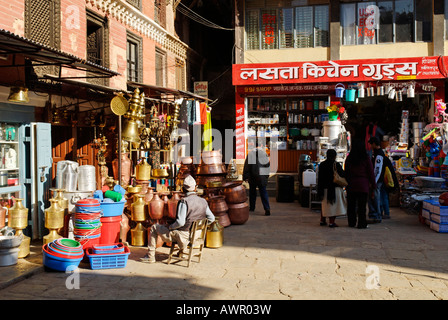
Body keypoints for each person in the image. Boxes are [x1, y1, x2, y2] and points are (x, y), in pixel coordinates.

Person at [140, 175, 215, 263]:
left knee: (154, 227)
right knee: (178, 228)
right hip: (196, 235)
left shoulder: (184, 202)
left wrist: (170, 227)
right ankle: (182, 253)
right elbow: (211, 218)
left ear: (183, 189)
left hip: (183, 237)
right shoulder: (203, 201)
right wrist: (198, 227)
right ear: (195, 188)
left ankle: (150, 256)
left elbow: (180, 222)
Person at [344, 140, 376, 229]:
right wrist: (373, 185)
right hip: (363, 185)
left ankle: (351, 222)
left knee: (351, 205)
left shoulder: (349, 158)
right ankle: (361, 223)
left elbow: (346, 171)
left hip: (351, 184)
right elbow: (371, 173)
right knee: (362, 207)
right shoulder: (366, 158)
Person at [367, 137, 398, 223]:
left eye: (370, 144)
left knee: (377, 198)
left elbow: (377, 169)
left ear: (374, 144)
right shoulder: (377, 153)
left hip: (378, 180)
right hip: (378, 180)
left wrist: (374, 181)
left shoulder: (379, 155)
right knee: (378, 196)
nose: (369, 146)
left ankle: (377, 215)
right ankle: (378, 214)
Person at [317, 149, 347, 227]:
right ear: (334, 156)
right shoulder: (336, 164)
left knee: (325, 205)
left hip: (324, 188)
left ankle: (322, 220)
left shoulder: (322, 165)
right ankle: (331, 222)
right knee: (333, 206)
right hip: (334, 188)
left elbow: (320, 178)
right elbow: (342, 174)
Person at [243, 139, 271, 216]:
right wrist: (266, 176)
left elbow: (247, 166)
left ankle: (252, 207)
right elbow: (267, 166)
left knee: (252, 192)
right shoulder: (264, 154)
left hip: (253, 176)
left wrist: (246, 176)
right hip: (262, 176)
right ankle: (267, 208)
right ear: (261, 146)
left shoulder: (251, 154)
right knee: (263, 192)